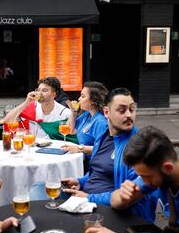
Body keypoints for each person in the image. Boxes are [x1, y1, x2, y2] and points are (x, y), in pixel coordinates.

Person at [61, 88, 157, 222]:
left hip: (112, 211)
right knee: (40, 189)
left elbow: (127, 197)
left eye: (132, 109)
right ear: (106, 112)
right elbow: (98, 169)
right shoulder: (104, 135)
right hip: (86, 196)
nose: (129, 115)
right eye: (122, 110)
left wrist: (87, 197)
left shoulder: (139, 146)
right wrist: (80, 181)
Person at [3, 76, 76, 142]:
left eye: (44, 90)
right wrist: (26, 102)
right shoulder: (31, 107)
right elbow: (7, 120)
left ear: (54, 94)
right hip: (32, 148)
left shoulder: (65, 113)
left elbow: (70, 135)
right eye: (38, 90)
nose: (40, 93)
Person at [62, 81, 108, 159]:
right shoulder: (86, 115)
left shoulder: (101, 122)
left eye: (83, 96)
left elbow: (103, 149)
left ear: (93, 101)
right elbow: (71, 130)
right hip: (82, 158)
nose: (79, 99)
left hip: (93, 163)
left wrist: (79, 148)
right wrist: (73, 111)